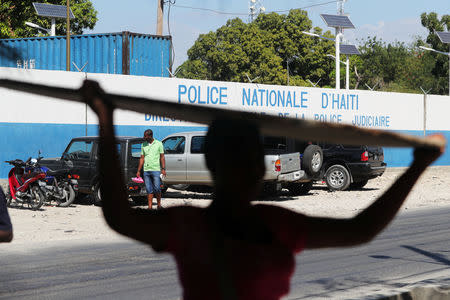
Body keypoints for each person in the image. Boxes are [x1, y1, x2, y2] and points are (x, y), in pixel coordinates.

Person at [82, 80, 444, 300]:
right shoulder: (276, 225)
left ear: (211, 163)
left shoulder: (188, 225)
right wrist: (417, 166)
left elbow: (118, 216)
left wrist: (104, 117)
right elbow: (361, 229)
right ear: (259, 167)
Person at [136, 129, 166, 209]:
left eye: (145, 136)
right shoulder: (143, 145)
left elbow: (162, 157)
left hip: (156, 169)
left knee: (157, 188)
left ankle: (159, 205)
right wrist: (139, 170)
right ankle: (150, 207)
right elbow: (142, 158)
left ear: (150, 136)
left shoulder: (159, 144)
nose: (144, 137)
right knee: (149, 189)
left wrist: (163, 169)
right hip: (146, 170)